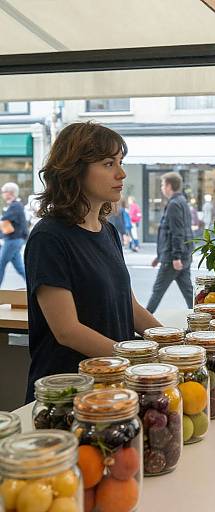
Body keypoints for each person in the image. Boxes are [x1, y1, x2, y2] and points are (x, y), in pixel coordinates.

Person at [24, 122, 161, 401]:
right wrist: (134, 362)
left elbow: (129, 307)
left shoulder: (107, 230)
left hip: (111, 386)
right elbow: (67, 331)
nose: (121, 173)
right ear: (76, 169)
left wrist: (172, 344)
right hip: (68, 393)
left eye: (120, 162)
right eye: (109, 163)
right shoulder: (49, 237)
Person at [146, 172, 194, 312]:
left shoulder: (174, 204)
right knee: (189, 293)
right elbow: (175, 232)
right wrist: (159, 256)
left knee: (157, 292)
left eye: (162, 184)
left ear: (168, 186)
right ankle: (202, 321)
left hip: (174, 258)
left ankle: (141, 326)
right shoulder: (182, 202)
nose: (161, 188)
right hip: (182, 255)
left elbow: (177, 232)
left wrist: (176, 256)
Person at [0, 182, 28, 287]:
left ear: (9, 193)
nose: (2, 194)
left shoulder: (15, 206)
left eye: (3, 192)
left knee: (0, 264)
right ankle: (32, 284)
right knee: (19, 267)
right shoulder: (15, 206)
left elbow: (4, 221)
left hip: (13, 240)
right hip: (15, 240)